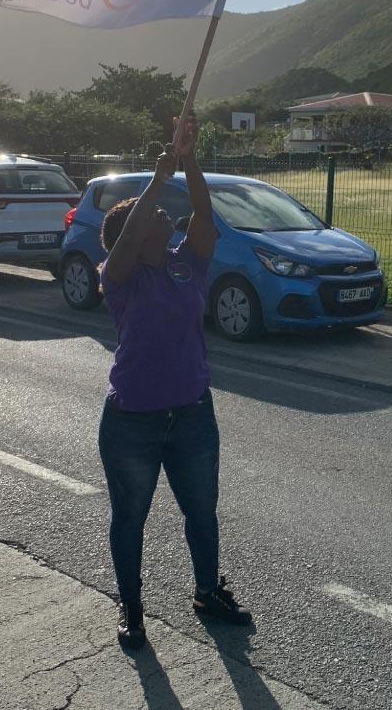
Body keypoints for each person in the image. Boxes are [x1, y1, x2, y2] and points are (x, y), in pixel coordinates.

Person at [98, 114, 252, 650]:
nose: (167, 214)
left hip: (192, 414)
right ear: (133, 235)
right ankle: (132, 609)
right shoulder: (120, 279)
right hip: (131, 422)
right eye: (156, 215)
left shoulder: (186, 265)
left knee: (202, 513)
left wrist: (189, 161)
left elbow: (206, 215)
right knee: (130, 519)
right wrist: (157, 179)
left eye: (165, 209)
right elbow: (121, 247)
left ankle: (208, 592)